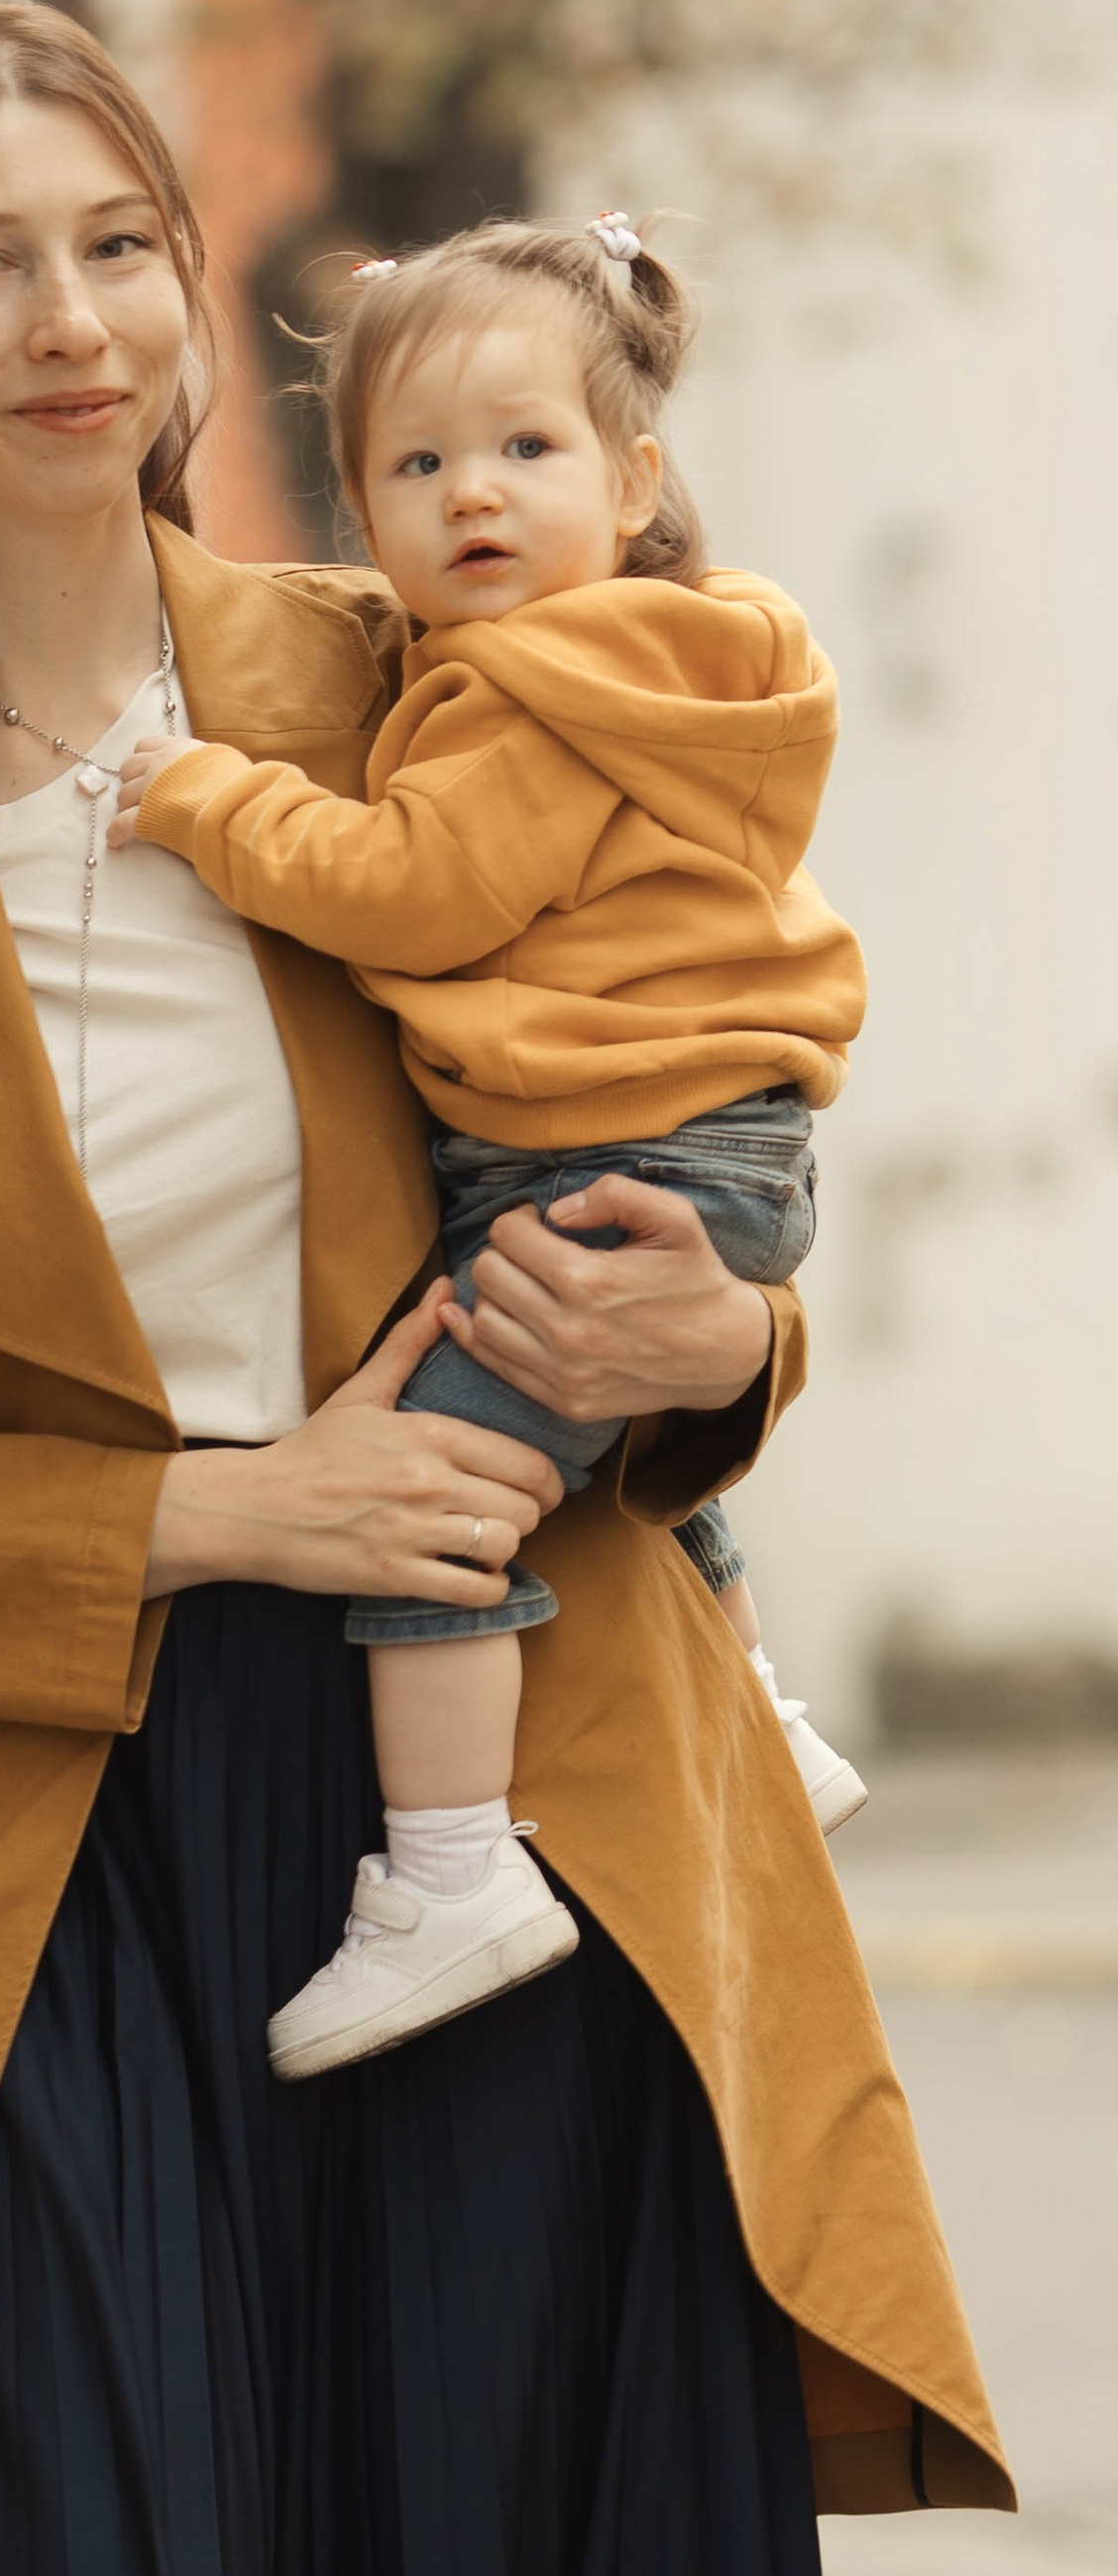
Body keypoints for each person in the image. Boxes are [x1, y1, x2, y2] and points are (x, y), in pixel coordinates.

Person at [0, 0, 1009, 2576]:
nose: (66, 321)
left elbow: (703, 1070)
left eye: (118, 242)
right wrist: (216, 1511)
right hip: (0, 1878)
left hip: (486, 1816)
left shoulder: (432, 679)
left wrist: (714, 1336)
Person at [108, 212, 868, 2083]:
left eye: (526, 448)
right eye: (417, 463)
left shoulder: (545, 689)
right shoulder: (666, 663)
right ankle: (763, 1711)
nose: (471, 495)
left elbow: (414, 889)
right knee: (618, 1455)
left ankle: (450, 1872)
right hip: (710, 1147)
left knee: (437, 1497)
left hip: (606, 1160)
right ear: (358, 508)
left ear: (634, 481)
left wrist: (213, 800)